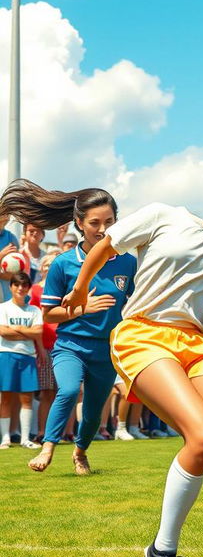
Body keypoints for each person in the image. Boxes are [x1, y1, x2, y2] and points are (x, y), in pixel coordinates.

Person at [62, 201, 203, 557]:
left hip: (201, 345)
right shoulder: (161, 215)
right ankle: (163, 552)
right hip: (145, 336)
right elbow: (106, 246)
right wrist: (81, 288)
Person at [0, 180, 136, 476]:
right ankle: (47, 447)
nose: (102, 229)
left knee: (92, 411)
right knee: (69, 389)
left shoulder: (127, 263)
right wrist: (84, 307)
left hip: (107, 349)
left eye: (110, 222)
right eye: (95, 223)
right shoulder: (63, 263)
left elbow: (138, 304)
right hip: (70, 346)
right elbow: (48, 315)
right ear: (79, 223)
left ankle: (80, 452)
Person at [0, 271, 43, 450]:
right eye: (17, 285)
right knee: (5, 398)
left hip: (28, 356)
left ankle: (25, 438)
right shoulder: (3, 308)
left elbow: (38, 332)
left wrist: (15, 329)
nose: (20, 288)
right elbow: (3, 332)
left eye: (24, 285)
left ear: (28, 288)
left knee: (27, 398)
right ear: (11, 287)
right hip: (6, 354)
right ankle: (5, 438)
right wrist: (26, 331)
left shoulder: (34, 310)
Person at [29, 253, 59, 442]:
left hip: (64, 344)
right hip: (45, 347)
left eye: (52, 264)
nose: (49, 267)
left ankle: (64, 433)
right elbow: (33, 319)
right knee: (47, 392)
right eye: (46, 264)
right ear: (41, 268)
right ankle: (42, 432)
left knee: (64, 392)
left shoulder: (63, 288)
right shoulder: (35, 291)